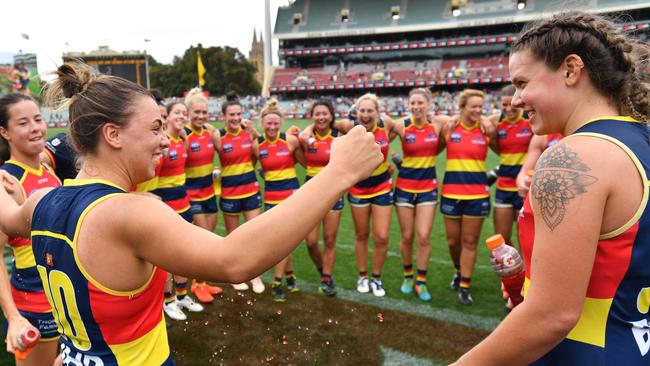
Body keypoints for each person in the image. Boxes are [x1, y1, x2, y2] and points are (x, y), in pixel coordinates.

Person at [0, 61, 381, 365]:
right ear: (113, 135)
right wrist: (338, 173)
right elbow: (236, 260)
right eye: (154, 128)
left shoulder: (42, 202)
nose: (165, 140)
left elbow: (8, 218)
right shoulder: (132, 213)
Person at [454, 11, 650, 365]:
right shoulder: (640, 139)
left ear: (571, 70)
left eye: (523, 83)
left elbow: (551, 316)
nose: (515, 100)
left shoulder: (574, 155)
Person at [0, 93, 61, 365]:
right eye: (23, 123)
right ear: (5, 132)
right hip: (34, 303)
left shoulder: (48, 171)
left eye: (38, 119)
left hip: (63, 298)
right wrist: (13, 316)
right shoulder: (6, 181)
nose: (35, 127)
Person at [440, 88, 496, 305]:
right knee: (453, 242)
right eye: (473, 106)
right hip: (451, 194)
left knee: (470, 241)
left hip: (477, 195)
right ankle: (458, 270)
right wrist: (453, 117)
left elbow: (501, 118)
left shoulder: (486, 129)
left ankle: (465, 285)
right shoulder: (448, 127)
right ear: (462, 108)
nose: (478, 110)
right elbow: (434, 118)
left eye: (481, 107)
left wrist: (485, 118)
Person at [391, 88, 448, 302]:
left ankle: (421, 281)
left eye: (420, 103)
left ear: (428, 105)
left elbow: (452, 121)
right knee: (406, 236)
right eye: (412, 103)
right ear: (408, 105)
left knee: (423, 236)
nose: (416, 107)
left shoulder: (437, 124)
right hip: (404, 188)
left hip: (427, 188)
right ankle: (407, 276)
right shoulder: (401, 125)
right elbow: (380, 136)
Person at [152, 102, 205, 320]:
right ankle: (168, 300)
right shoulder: (161, 144)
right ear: (168, 116)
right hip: (166, 204)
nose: (182, 116)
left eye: (184, 113)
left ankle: (182, 295)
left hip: (184, 202)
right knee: (167, 257)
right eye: (177, 112)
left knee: (184, 252)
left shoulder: (183, 140)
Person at [212, 94, 264, 293]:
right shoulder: (219, 136)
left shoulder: (248, 133)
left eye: (238, 114)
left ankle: (255, 276)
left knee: (254, 235)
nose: (235, 118)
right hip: (230, 192)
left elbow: (257, 156)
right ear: (224, 116)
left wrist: (255, 134)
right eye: (231, 114)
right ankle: (234, 275)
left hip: (250, 190)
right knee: (233, 238)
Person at [255, 99, 305, 302]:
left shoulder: (291, 141)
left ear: (281, 123)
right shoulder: (256, 145)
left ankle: (277, 282)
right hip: (270, 199)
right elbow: (251, 167)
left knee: (286, 240)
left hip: (292, 198)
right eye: (269, 123)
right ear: (262, 123)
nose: (273, 127)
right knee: (281, 240)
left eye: (276, 123)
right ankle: (290, 276)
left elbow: (306, 163)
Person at [301, 100, 343, 296]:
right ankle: (321, 269)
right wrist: (309, 129)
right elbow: (301, 151)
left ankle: (327, 278)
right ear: (312, 117)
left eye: (325, 113)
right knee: (310, 241)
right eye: (317, 114)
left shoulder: (339, 137)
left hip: (334, 190)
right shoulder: (306, 137)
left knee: (329, 239)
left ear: (331, 115)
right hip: (312, 190)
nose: (321, 117)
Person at [183, 90, 222, 302]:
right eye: (196, 112)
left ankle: (202, 281)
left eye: (204, 112)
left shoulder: (209, 132)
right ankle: (197, 284)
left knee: (209, 237)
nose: (200, 116)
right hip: (192, 195)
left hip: (209, 193)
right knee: (204, 240)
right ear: (188, 112)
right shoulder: (184, 135)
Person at [488, 85, 532, 245]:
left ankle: (528, 271)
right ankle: (514, 269)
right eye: (504, 105)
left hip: (525, 186)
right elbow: (493, 144)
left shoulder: (530, 119)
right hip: (504, 186)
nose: (508, 108)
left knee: (525, 239)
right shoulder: (496, 121)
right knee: (502, 239)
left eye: (511, 104)